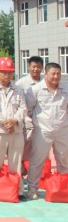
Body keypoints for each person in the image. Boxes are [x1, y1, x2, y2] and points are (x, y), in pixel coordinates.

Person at [0, 57, 27, 201]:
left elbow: (23, 108)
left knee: (16, 161)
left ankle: (18, 189)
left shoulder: (17, 89)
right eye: (4, 72)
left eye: (10, 72)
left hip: (16, 130)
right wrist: (5, 123)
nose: (7, 75)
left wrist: (14, 121)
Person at [25, 62, 68, 200]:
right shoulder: (35, 90)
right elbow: (28, 109)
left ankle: (64, 188)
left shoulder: (65, 89)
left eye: (58, 74)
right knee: (37, 161)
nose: (56, 77)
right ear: (46, 74)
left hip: (62, 131)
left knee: (64, 161)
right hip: (42, 131)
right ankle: (32, 189)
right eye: (53, 74)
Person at [16, 56, 44, 165]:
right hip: (26, 122)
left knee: (40, 149)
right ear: (29, 67)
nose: (36, 69)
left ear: (42, 68)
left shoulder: (45, 82)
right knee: (24, 148)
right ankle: (22, 169)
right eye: (33, 66)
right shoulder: (21, 83)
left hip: (42, 122)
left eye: (38, 67)